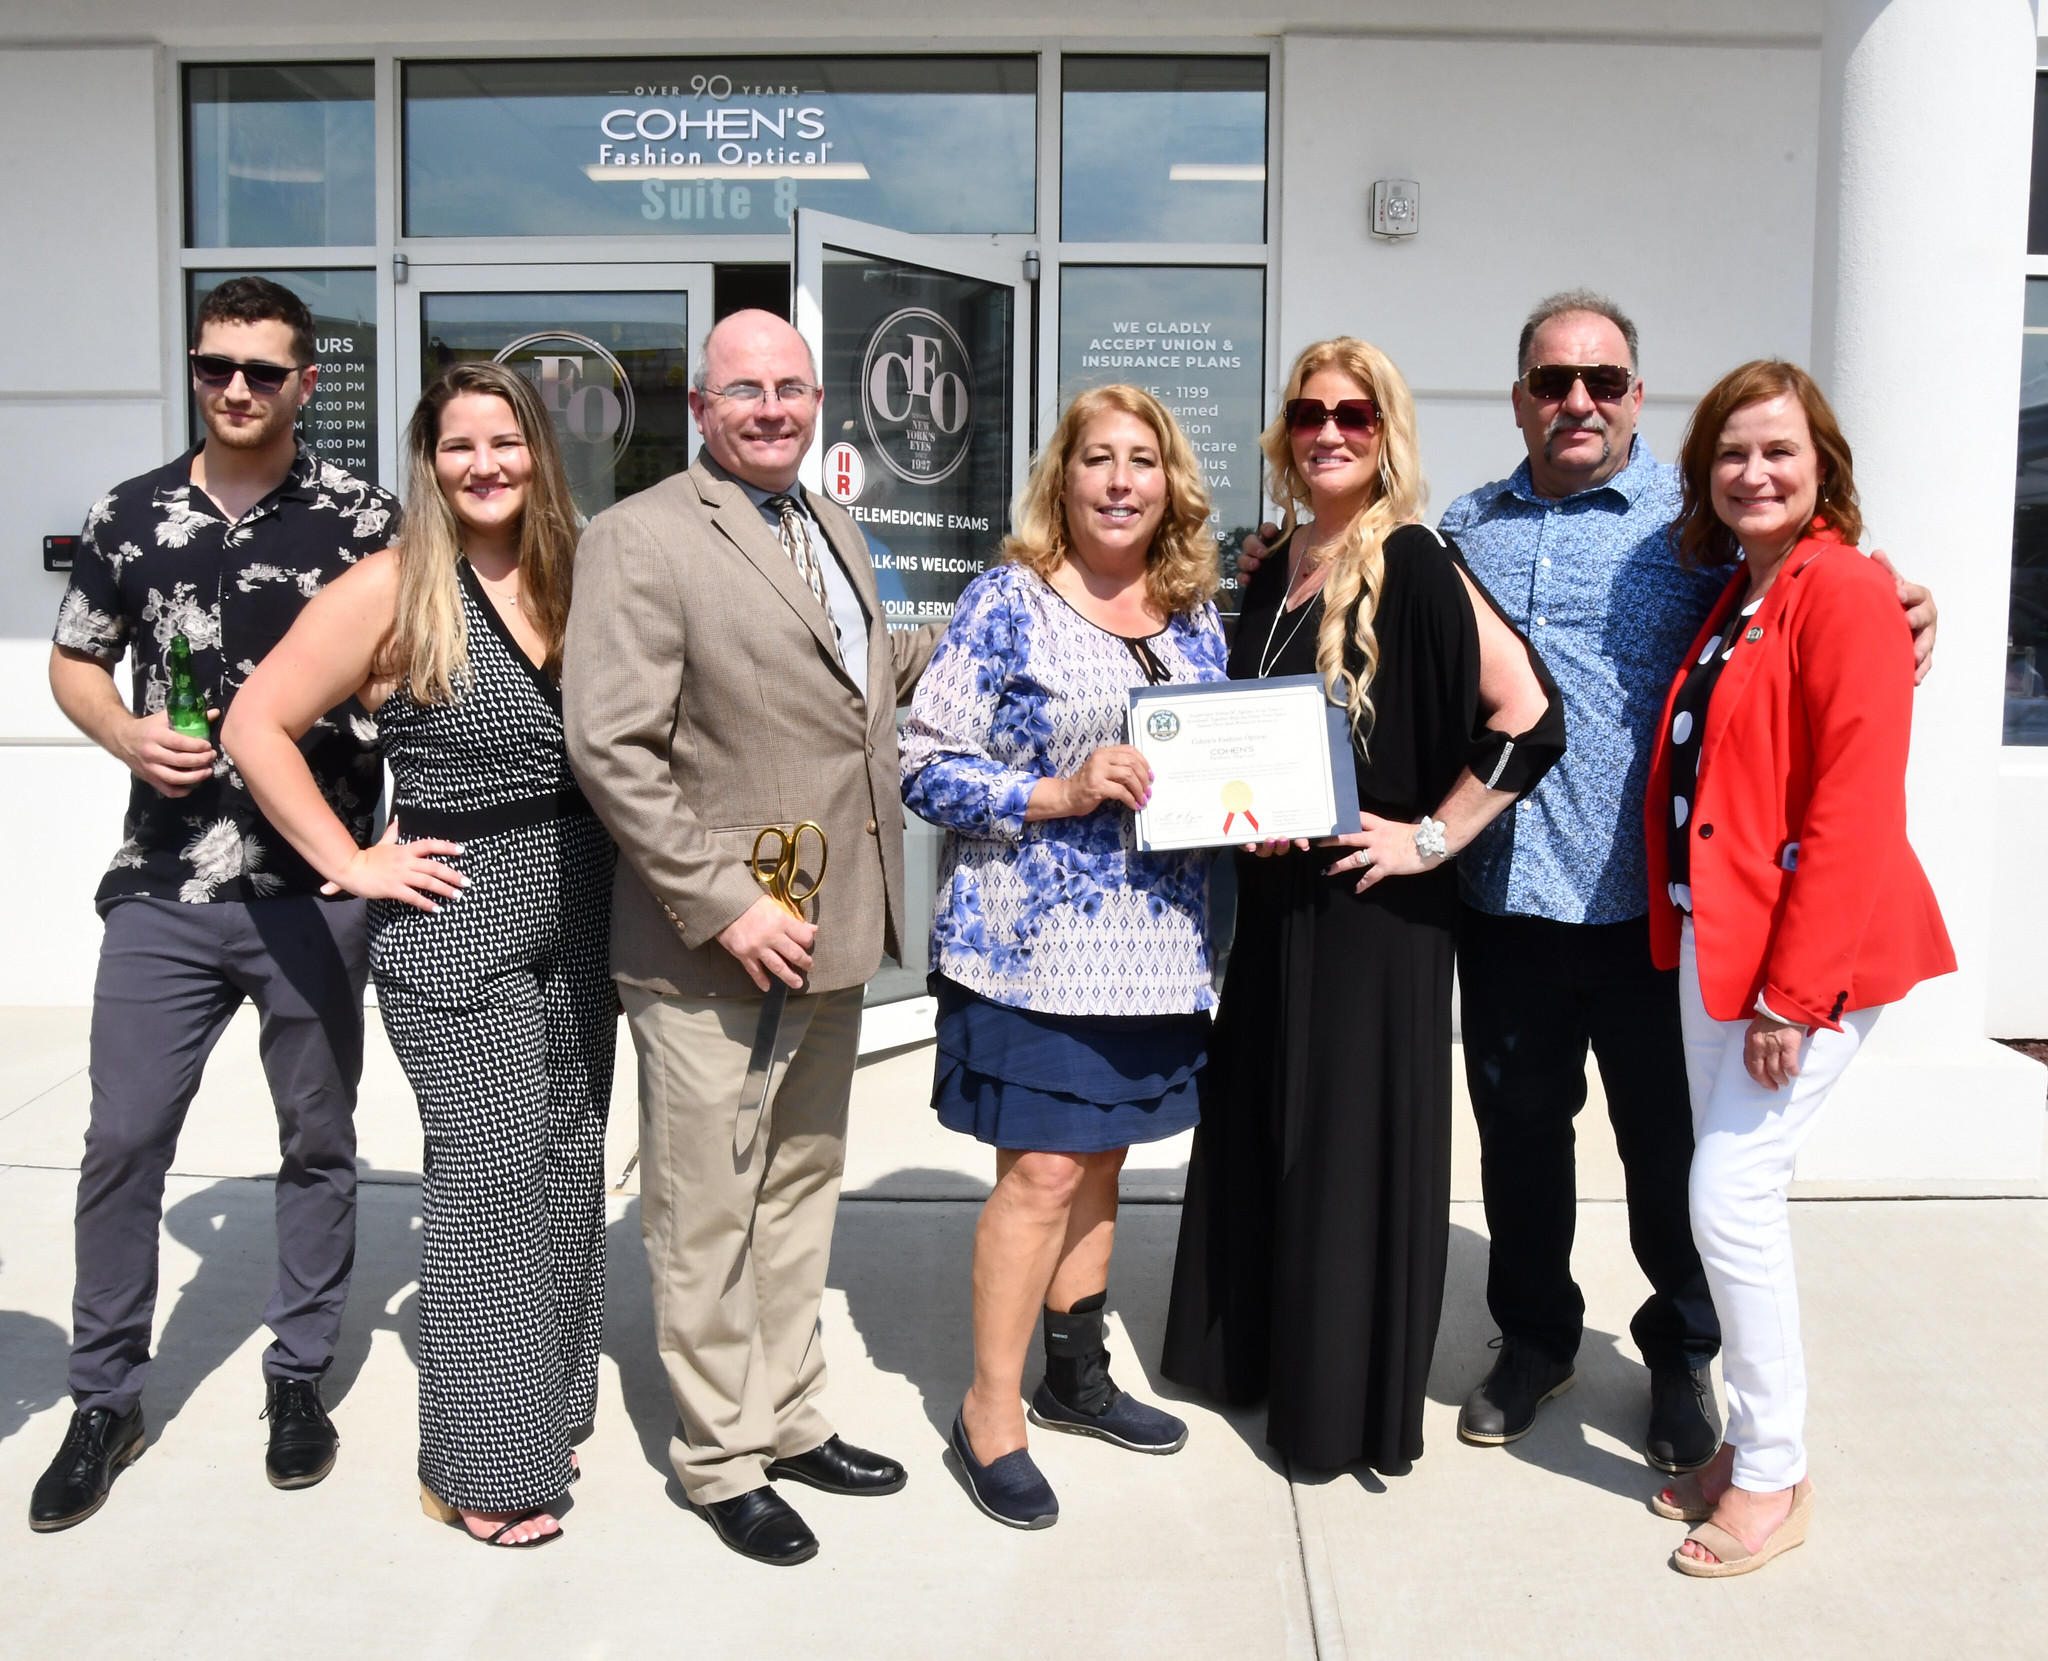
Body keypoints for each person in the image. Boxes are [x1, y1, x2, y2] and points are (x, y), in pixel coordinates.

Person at [1234, 290, 1937, 1472]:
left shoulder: (1695, 526)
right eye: (1552, 381)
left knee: (1665, 1146)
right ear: (1516, 399)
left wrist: (1902, 600)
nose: (1576, 401)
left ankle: (1678, 1352)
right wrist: (1268, 552)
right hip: (1501, 892)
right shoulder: (1460, 524)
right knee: (1518, 1133)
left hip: (1651, 910)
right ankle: (1533, 1336)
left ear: (1633, 398)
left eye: (1601, 382)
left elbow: (1798, 603)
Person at [562, 310, 937, 1567]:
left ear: (818, 397)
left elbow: (855, 686)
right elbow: (611, 744)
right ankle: (720, 1457)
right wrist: (723, 902)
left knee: (796, 1191)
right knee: (705, 1204)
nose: (771, 408)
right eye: (744, 390)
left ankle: (786, 1416)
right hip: (711, 944)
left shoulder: (828, 520)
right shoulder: (640, 536)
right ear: (701, 408)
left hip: (832, 924)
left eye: (789, 388)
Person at [225, 361, 614, 1548]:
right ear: (430, 461)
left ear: (538, 452)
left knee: (567, 1154)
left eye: (506, 441)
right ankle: (482, 1463)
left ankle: (542, 1404)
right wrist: (350, 859)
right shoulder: (394, 587)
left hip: (586, 893)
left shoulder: (580, 570)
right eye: (459, 446)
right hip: (458, 911)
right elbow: (254, 723)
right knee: (488, 1177)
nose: (485, 464)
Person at [31, 277, 397, 1533]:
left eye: (259, 368)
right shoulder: (129, 514)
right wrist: (126, 733)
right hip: (164, 883)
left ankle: (297, 1377)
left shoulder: (366, 520)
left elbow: (421, 670)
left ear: (305, 382)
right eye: (213, 365)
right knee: (125, 1135)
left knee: (316, 1139)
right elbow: (74, 658)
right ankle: (104, 1395)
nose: (233, 386)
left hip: (316, 882)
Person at [1162, 338, 1565, 1473]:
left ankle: (1334, 1402)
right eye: (1307, 411)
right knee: (1266, 1126)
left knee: (1340, 1151)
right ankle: (1253, 1354)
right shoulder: (1270, 565)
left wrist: (1431, 834)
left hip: (1373, 914)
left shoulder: (1419, 564)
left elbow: (1531, 715)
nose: (1327, 430)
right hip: (1274, 899)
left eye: (1353, 413)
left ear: (1385, 432)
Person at [1642, 361, 1952, 1576]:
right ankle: (1753, 1447)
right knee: (1728, 1197)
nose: (1753, 471)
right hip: (1711, 941)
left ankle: (1772, 1472)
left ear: (1822, 463)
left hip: (1797, 966)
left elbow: (1853, 807)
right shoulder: (1742, 590)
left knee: (1727, 1192)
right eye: (1730, 452)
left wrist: (1793, 991)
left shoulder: (1844, 590)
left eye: (1777, 450)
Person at [899, 385, 1224, 1529]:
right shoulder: (1008, 601)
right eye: (1098, 459)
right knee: (1038, 1171)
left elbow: (1222, 759)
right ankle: (990, 1410)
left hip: (1153, 947)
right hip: (1030, 948)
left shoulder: (1194, 616)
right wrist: (1054, 789)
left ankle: (1074, 1376)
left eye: (1142, 459)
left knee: (1099, 1164)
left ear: (1169, 482)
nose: (1120, 480)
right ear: (1064, 477)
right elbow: (923, 761)